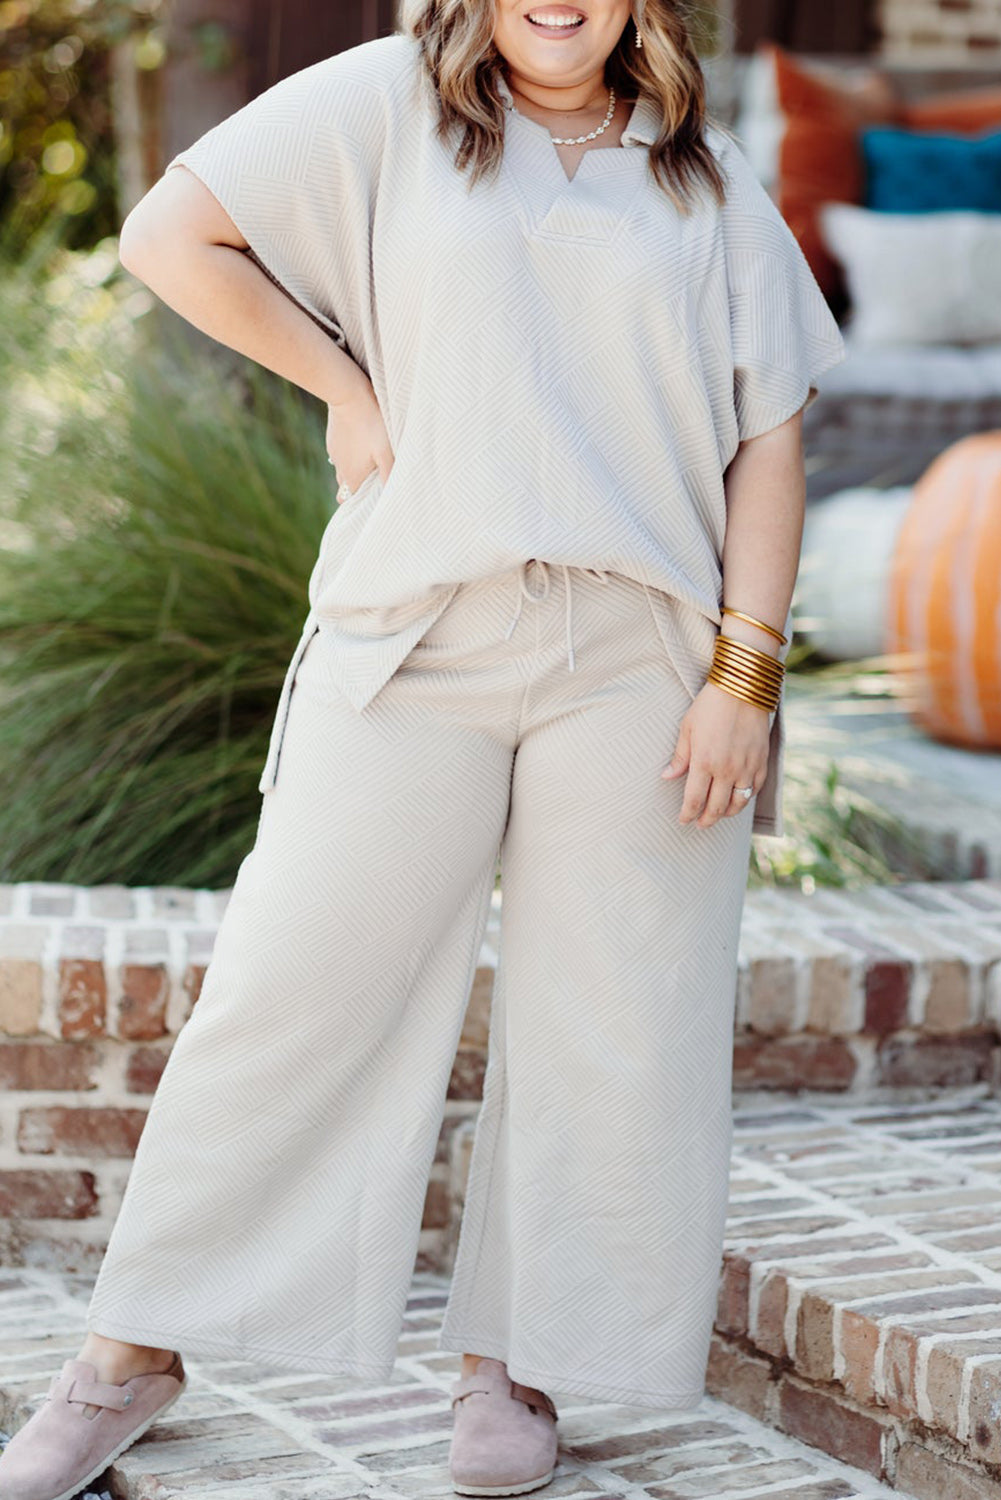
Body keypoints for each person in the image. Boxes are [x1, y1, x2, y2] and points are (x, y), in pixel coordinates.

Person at [0, 2, 846, 1497]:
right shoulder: (387, 105)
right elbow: (167, 236)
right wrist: (346, 383)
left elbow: (765, 440)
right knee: (289, 984)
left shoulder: (699, 183)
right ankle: (132, 1351)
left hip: (643, 662)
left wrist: (743, 674)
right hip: (413, 632)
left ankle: (513, 1365)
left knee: (613, 1023)